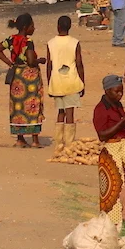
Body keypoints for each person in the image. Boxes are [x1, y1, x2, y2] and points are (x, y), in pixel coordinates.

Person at [94, 75, 125, 226]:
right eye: (116, 92)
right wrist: (122, 122)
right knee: (113, 192)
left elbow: (122, 126)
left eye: (121, 91)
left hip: (124, 151)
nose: (120, 94)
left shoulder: (117, 105)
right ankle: (111, 226)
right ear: (107, 91)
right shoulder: (100, 109)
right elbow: (102, 135)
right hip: (112, 153)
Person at [0, 13, 46, 147]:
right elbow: (30, 61)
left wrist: (9, 63)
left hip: (17, 77)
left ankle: (20, 139)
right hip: (29, 77)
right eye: (32, 26)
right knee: (33, 105)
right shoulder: (28, 42)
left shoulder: (11, 39)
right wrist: (40, 60)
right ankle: (35, 140)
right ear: (25, 27)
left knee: (18, 106)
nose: (33, 28)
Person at [46, 16, 85, 150]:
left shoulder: (51, 43)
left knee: (60, 112)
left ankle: (58, 143)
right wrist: (82, 81)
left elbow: (49, 65)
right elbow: (79, 63)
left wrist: (49, 82)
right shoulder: (75, 42)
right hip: (71, 81)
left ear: (58, 26)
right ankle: (69, 143)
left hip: (56, 81)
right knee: (70, 113)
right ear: (70, 27)